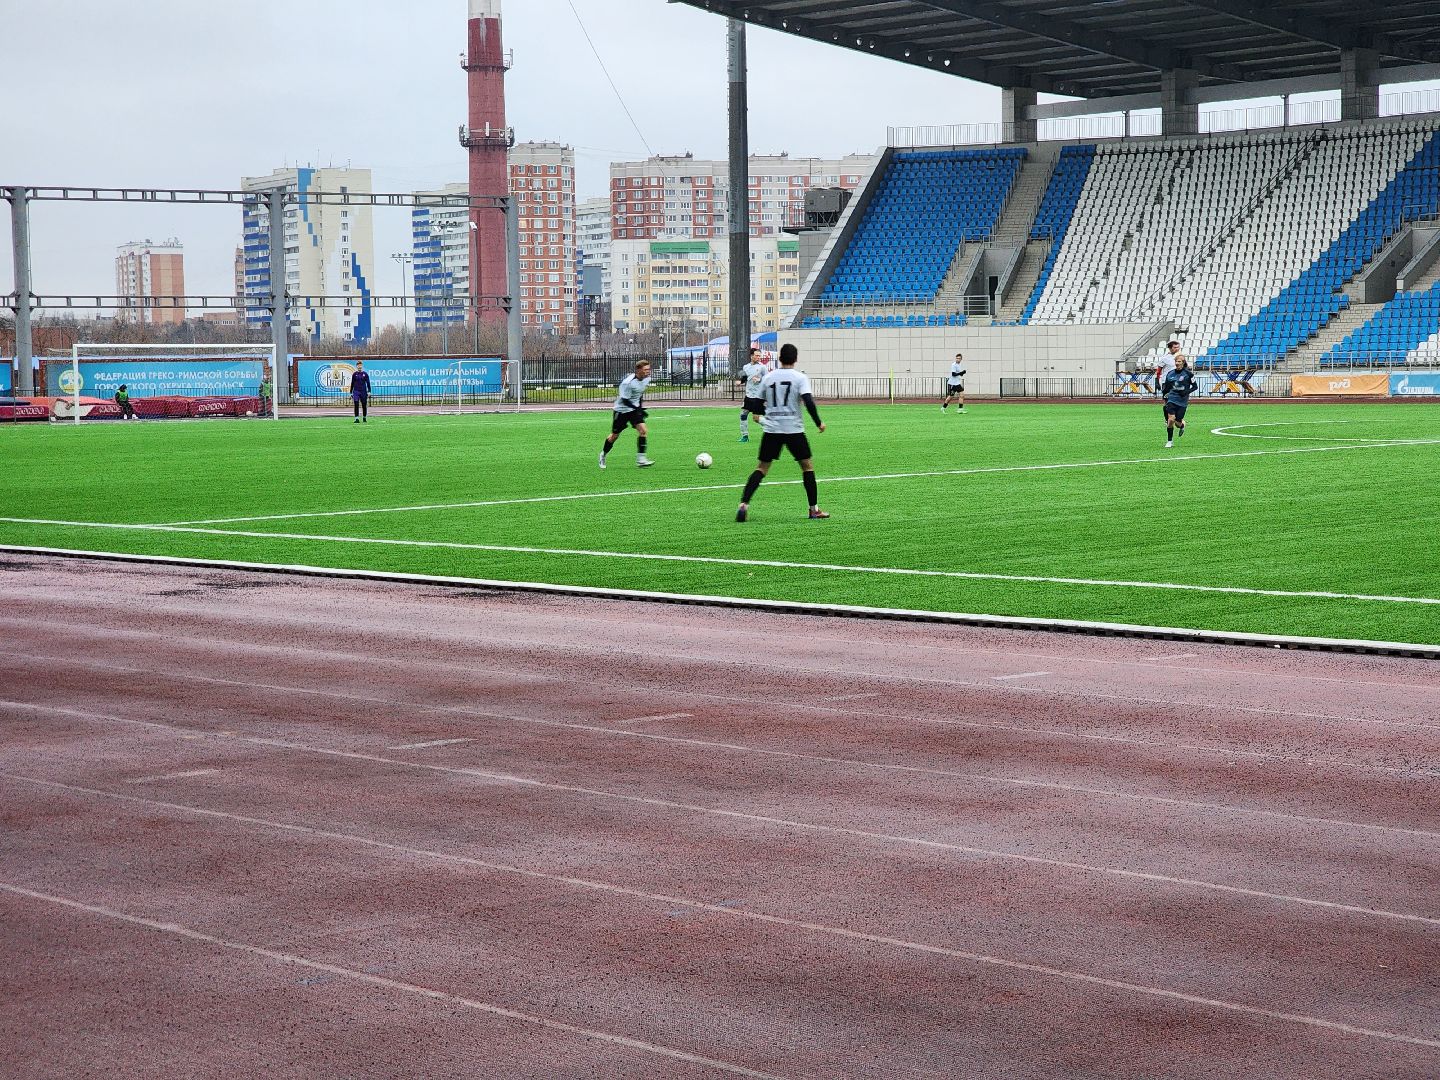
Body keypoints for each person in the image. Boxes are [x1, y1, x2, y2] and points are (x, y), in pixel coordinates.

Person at [736, 343, 828, 521]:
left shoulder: (769, 377)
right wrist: (818, 423)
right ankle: (813, 509)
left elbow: (756, 404)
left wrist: (766, 415)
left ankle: (743, 504)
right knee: (807, 467)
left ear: (779, 359)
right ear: (795, 359)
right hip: (794, 429)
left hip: (772, 430)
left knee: (761, 468)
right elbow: (808, 402)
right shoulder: (799, 377)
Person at [599, 359, 654, 469]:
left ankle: (641, 460)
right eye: (645, 370)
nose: (648, 371)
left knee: (643, 431)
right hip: (621, 410)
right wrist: (638, 409)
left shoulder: (647, 379)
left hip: (633, 410)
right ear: (638, 370)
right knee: (614, 436)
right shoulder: (627, 383)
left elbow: (639, 394)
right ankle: (603, 454)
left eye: (649, 369)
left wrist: (640, 408)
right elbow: (625, 401)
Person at [1160, 353, 1199, 448]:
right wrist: (1164, 396)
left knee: (1177, 423)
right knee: (1171, 420)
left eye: (1179, 361)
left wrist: (1186, 392)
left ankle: (1182, 425)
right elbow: (1167, 387)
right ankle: (1170, 441)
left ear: (1183, 362)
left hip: (1182, 401)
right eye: (1176, 361)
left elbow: (1195, 387)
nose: (1177, 363)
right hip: (1172, 398)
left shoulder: (1188, 374)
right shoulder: (1170, 374)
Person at [736, 345, 770, 443]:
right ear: (751, 356)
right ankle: (745, 436)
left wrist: (759, 379)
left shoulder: (762, 368)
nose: (759, 357)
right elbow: (745, 378)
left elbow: (768, 379)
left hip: (757, 397)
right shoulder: (745, 367)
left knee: (756, 418)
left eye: (759, 356)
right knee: (743, 414)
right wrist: (740, 382)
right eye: (757, 355)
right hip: (748, 396)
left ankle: (771, 428)